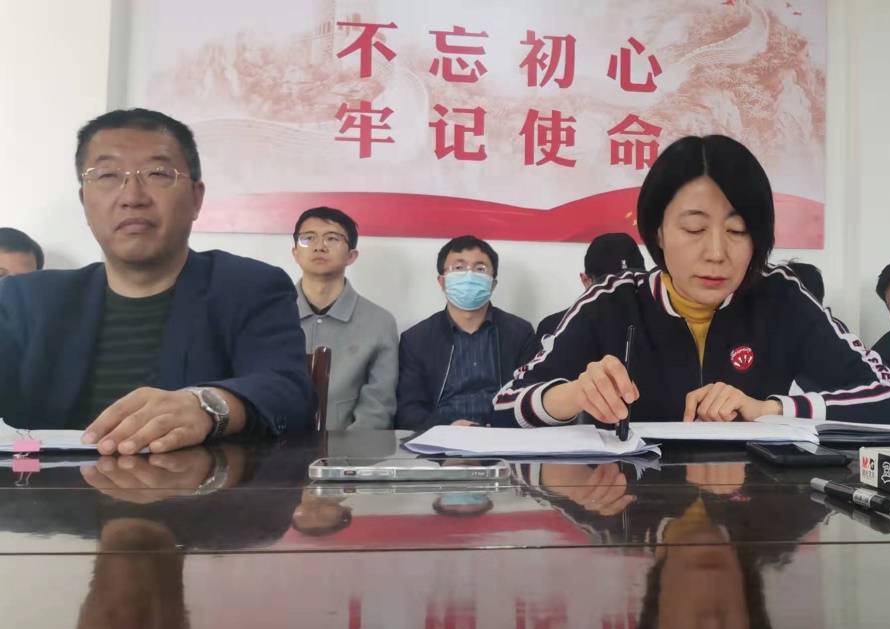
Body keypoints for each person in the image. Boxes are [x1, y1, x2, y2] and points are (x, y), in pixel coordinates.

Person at [494, 135, 890, 426]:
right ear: (658, 233)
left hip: (755, 514)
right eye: (694, 229)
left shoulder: (780, 296)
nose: (716, 252)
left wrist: (770, 409)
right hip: (633, 513)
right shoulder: (613, 301)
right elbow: (503, 407)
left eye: (738, 230)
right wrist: (573, 395)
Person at [0, 108, 312, 453]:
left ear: (196, 199)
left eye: (157, 173)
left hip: (199, 486)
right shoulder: (25, 300)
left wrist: (208, 406)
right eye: (107, 175)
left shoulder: (250, 287)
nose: (132, 197)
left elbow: (287, 391)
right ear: (84, 202)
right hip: (39, 484)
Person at [397, 236, 535, 427]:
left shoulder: (519, 333)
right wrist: (447, 426)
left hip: (503, 435)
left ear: (492, 284)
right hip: (441, 437)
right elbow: (408, 411)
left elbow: (530, 396)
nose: (469, 275)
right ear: (442, 282)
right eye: (459, 267)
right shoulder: (417, 339)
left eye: (480, 269)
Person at [291, 207, 399, 430]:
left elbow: (377, 408)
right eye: (308, 238)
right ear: (295, 252)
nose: (319, 246)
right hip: (273, 448)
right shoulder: (269, 315)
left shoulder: (379, 322)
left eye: (332, 238)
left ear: (351, 256)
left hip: (347, 449)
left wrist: (346, 451)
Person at [532, 232, 648, 346]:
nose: (625, 292)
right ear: (587, 281)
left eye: (632, 283)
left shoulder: (658, 323)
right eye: (611, 285)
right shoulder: (555, 329)